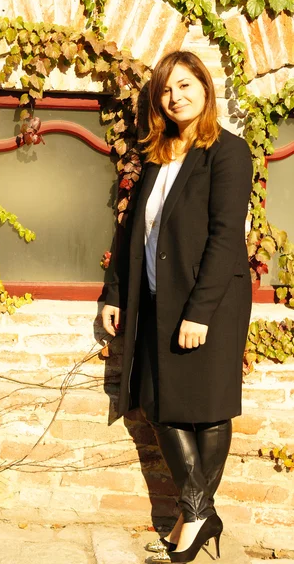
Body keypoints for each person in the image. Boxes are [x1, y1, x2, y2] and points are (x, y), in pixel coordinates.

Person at [102, 50, 253, 563]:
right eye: (167, 90)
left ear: (205, 90)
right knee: (155, 400)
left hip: (209, 302)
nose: (176, 97)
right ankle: (201, 513)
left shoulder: (228, 153)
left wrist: (200, 312)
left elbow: (226, 237)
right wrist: (114, 293)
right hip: (153, 299)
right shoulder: (158, 155)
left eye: (186, 85)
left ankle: (191, 519)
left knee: (206, 410)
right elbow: (132, 234)